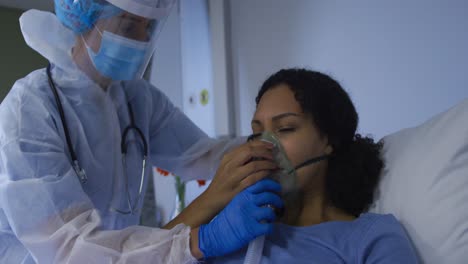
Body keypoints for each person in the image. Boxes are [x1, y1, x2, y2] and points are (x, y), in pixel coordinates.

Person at [0, 0, 283, 263]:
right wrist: (199, 241)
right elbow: (69, 249)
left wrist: (277, 147)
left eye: (148, 26)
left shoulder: (137, 99)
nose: (143, 39)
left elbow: (203, 155)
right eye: (128, 25)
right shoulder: (29, 111)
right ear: (84, 18)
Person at [208, 68, 420, 263]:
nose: (264, 145)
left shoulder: (369, 238)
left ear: (329, 139)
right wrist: (209, 207)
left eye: (285, 128)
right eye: (256, 133)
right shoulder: (229, 229)